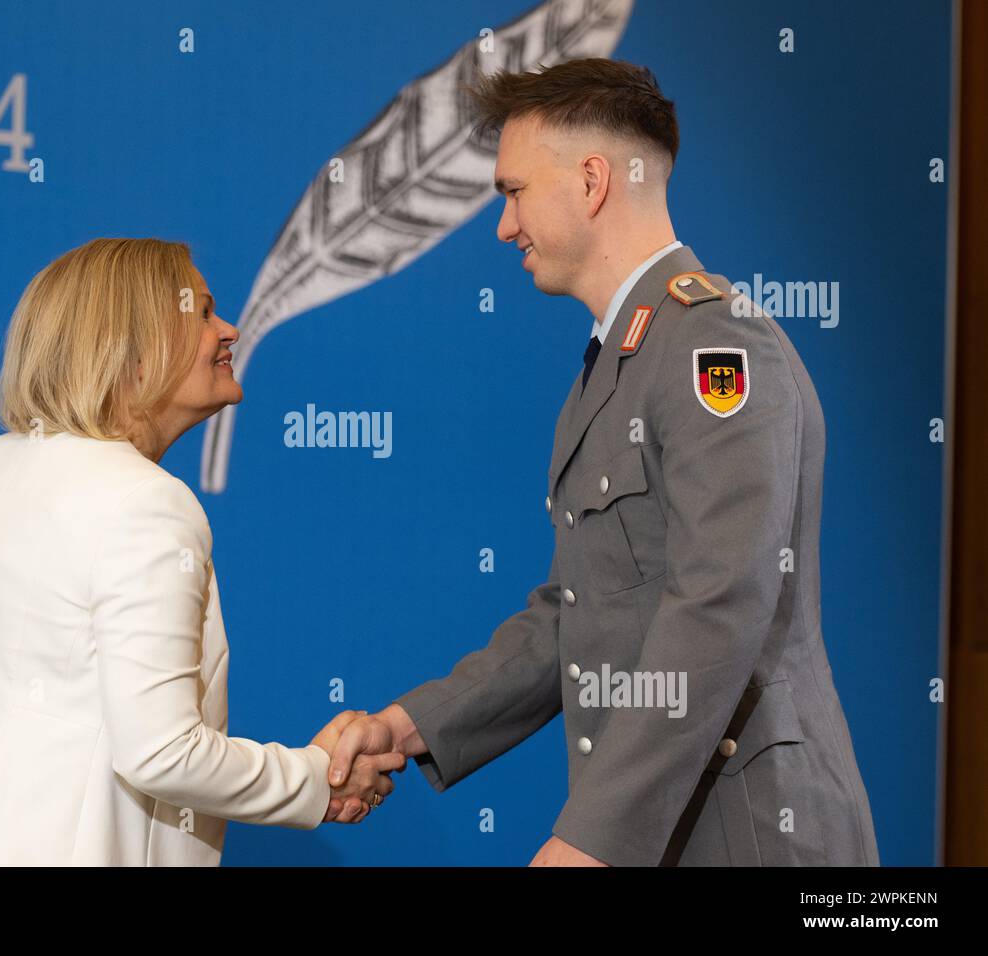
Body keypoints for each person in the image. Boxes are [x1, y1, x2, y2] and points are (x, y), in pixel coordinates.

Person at [325, 58, 881, 867]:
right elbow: (574, 613)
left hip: (754, 833)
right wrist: (404, 728)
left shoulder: (713, 344)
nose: (503, 226)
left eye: (512, 192)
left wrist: (594, 838)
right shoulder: (625, 361)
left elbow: (720, 600)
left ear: (590, 182)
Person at [0, 237, 403, 866]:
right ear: (134, 351)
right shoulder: (148, 502)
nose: (228, 331)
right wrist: (316, 781)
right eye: (202, 313)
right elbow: (161, 752)